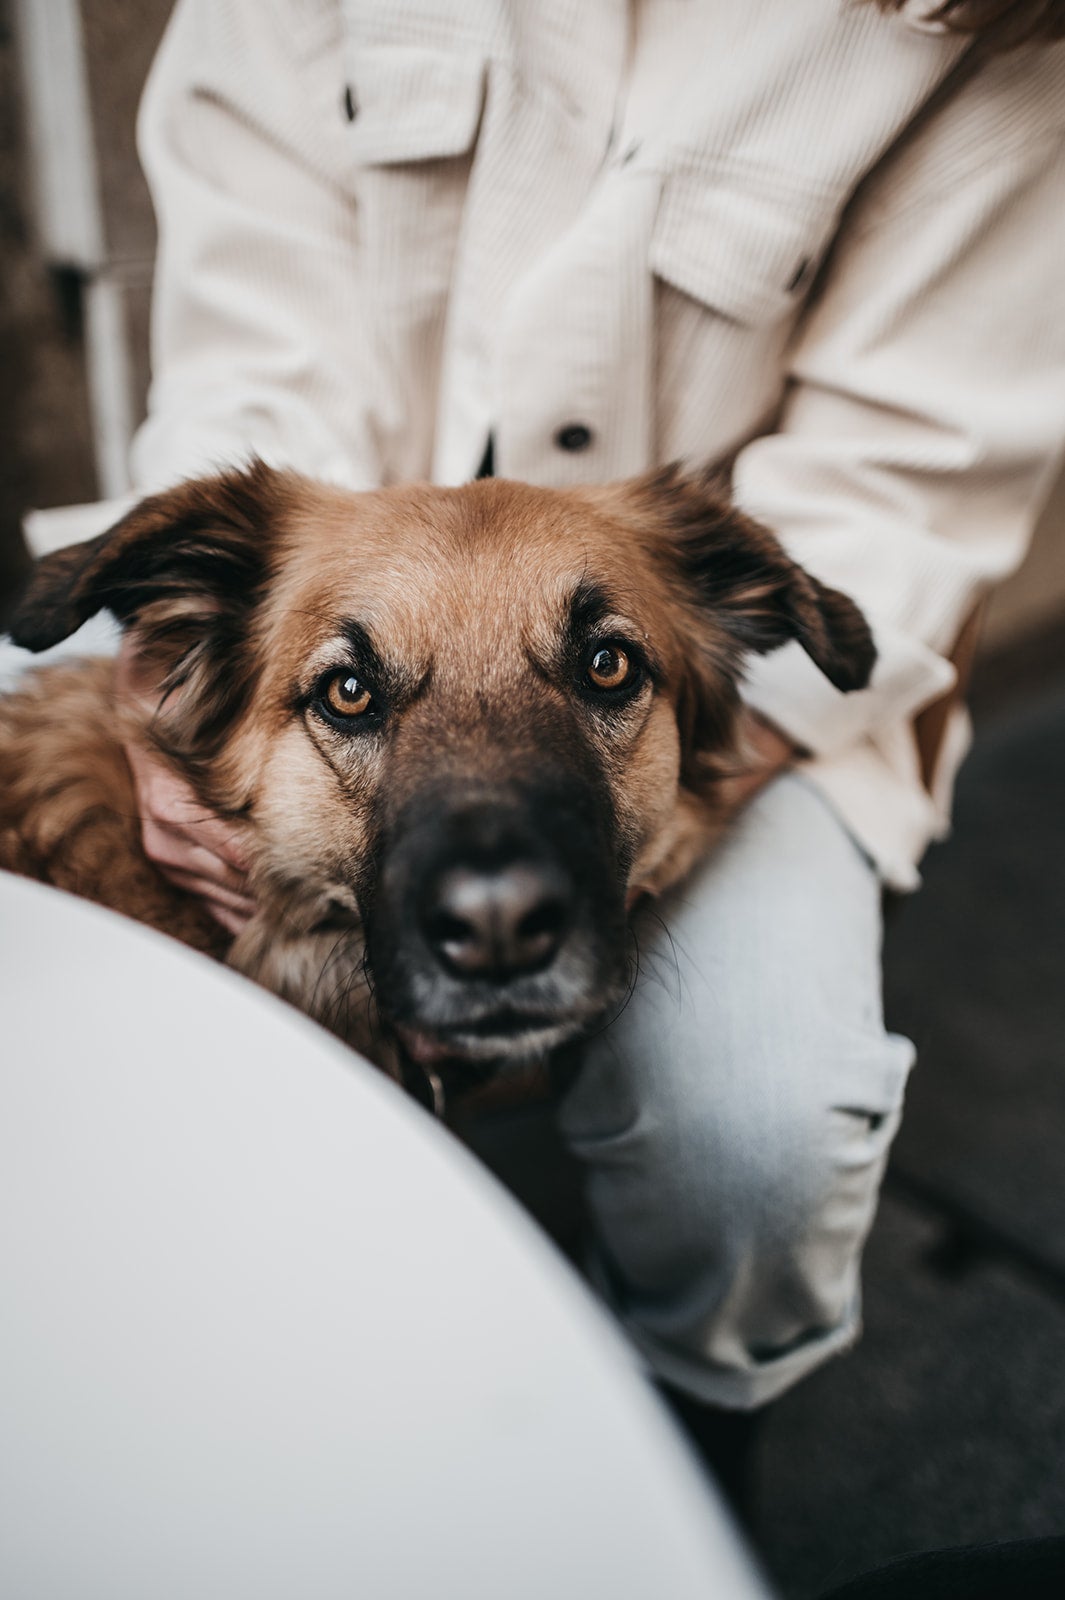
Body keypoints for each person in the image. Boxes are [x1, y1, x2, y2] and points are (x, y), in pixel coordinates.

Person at [104, 0, 1065, 1490]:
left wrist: (705, 756)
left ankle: (688, 1444)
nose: (492, 912)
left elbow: (899, 488)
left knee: (753, 1130)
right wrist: (186, 665)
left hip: (732, 710)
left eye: (593, 661)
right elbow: (252, 304)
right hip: (294, 606)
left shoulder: (999, 29)